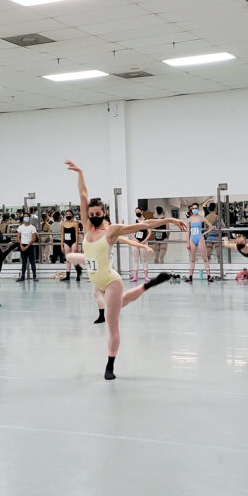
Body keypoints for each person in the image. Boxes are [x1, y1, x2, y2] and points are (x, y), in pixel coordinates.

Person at [64, 160, 181, 380]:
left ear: (104, 213)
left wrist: (170, 219)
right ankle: (149, 284)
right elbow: (82, 195)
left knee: (111, 322)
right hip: (96, 281)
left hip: (110, 282)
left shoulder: (112, 230)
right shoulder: (86, 227)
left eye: (98, 212)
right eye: (92, 212)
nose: (95, 215)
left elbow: (144, 226)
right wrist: (80, 172)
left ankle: (110, 364)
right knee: (124, 302)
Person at [185, 202, 213, 283]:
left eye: (195, 208)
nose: (194, 210)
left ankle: (209, 276)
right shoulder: (189, 219)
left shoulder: (202, 218)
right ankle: (190, 276)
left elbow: (212, 227)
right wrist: (187, 243)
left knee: (205, 258)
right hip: (192, 239)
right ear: (191, 209)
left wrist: (204, 233)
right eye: (193, 209)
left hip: (200, 238)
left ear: (198, 209)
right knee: (192, 259)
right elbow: (188, 232)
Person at [60, 209, 83, 282]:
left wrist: (76, 244)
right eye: (67, 214)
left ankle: (78, 273)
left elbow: (77, 234)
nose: (68, 215)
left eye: (69, 214)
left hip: (73, 242)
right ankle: (68, 275)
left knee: (74, 258)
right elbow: (62, 234)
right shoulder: (63, 223)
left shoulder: (75, 223)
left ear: (72, 215)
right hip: (66, 242)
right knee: (67, 259)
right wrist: (61, 245)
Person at [130, 208, 152, 283]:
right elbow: (131, 232)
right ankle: (135, 276)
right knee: (136, 260)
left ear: (142, 212)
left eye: (138, 212)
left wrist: (144, 241)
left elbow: (149, 233)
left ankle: (146, 276)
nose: (137, 213)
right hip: (136, 242)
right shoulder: (135, 222)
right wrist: (135, 240)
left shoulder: (146, 221)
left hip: (143, 242)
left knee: (144, 259)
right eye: (136, 212)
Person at [16, 214, 38, 282]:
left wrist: (28, 246)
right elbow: (18, 237)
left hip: (30, 246)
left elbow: (34, 238)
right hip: (22, 245)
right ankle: (22, 276)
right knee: (24, 262)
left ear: (29, 218)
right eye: (24, 217)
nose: (26, 218)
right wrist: (21, 245)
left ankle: (34, 276)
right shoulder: (20, 227)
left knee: (32, 262)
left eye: (27, 217)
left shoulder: (32, 227)